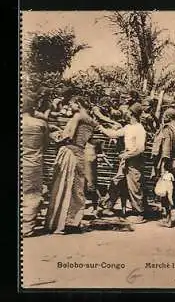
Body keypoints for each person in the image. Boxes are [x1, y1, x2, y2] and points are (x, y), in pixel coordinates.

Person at [45, 96, 99, 234]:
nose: (70, 107)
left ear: (78, 104)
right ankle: (73, 222)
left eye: (71, 104)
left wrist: (54, 134)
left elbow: (68, 137)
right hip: (80, 154)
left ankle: (59, 223)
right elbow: (90, 141)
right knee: (77, 188)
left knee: (62, 185)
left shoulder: (77, 117)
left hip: (70, 152)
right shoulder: (91, 121)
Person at [99, 103, 147, 224]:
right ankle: (107, 207)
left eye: (128, 112)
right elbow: (114, 134)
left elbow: (140, 148)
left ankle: (139, 213)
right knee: (117, 181)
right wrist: (101, 128)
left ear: (132, 114)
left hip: (135, 160)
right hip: (126, 159)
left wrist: (126, 155)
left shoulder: (140, 129)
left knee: (134, 185)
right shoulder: (128, 127)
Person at [152, 108, 175, 228]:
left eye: (165, 115)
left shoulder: (167, 129)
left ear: (168, 117)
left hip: (169, 164)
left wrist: (163, 167)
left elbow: (166, 150)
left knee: (166, 192)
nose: (163, 117)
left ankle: (168, 219)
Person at [21, 94, 49, 237]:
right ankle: (26, 228)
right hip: (33, 163)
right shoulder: (40, 124)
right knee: (31, 195)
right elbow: (46, 144)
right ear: (32, 108)